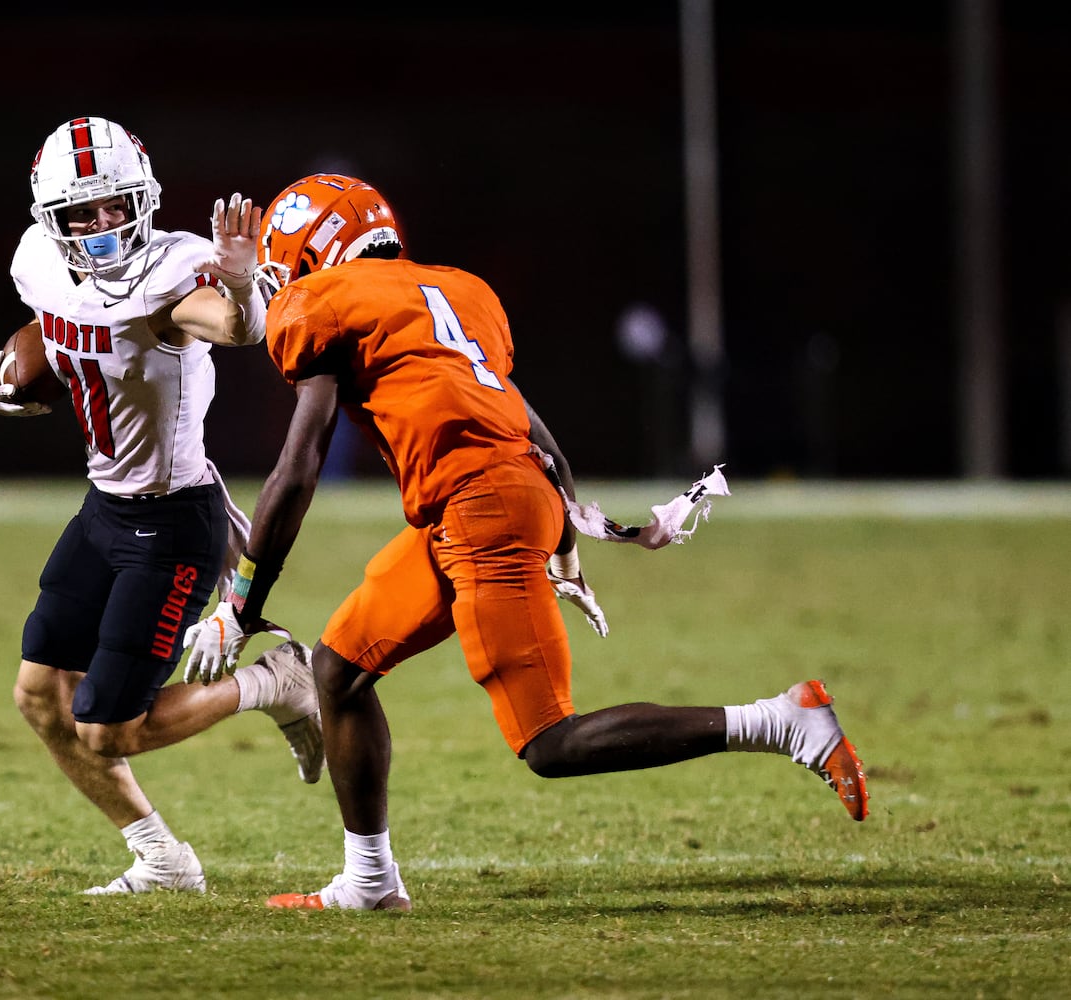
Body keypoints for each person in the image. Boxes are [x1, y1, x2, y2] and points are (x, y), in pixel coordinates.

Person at [181, 174, 868, 913]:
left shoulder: (322, 303)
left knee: (549, 741)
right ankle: (370, 882)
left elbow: (296, 469)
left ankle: (780, 721)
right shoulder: (454, 290)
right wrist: (565, 541)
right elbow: (529, 424)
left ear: (317, 254)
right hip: (483, 502)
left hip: (482, 510)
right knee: (339, 668)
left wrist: (243, 600)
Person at [0, 116, 324, 896]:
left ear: (146, 199)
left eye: (116, 205)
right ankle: (162, 859)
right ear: (51, 222)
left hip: (171, 522)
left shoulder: (174, 274)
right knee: (39, 696)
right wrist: (8, 367)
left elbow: (231, 325)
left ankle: (276, 681)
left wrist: (237, 281)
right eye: (82, 213)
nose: (102, 225)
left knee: (107, 728)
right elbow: (56, 323)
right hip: (103, 507)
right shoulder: (37, 262)